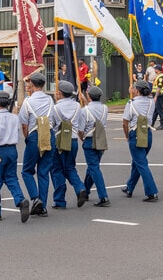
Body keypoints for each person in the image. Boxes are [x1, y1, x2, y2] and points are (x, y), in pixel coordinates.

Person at [0, 91, 30, 223]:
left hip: (0, 150)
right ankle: (20, 199)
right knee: (11, 178)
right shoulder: (14, 117)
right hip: (12, 150)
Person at [19, 72, 55, 218]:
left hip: (34, 134)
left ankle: (35, 198)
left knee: (27, 170)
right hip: (49, 133)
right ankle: (43, 206)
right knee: (43, 171)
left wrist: (27, 137)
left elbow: (24, 123)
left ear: (32, 85)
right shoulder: (50, 99)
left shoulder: (28, 101)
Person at [50, 80, 88, 209]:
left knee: (57, 169)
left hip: (59, 140)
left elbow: (52, 125)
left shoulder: (55, 108)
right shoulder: (77, 106)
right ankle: (80, 188)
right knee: (70, 167)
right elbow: (81, 125)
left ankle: (60, 200)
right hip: (73, 140)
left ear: (59, 93)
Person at [121, 80, 159, 202]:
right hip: (147, 133)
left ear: (137, 90)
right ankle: (130, 187)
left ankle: (152, 192)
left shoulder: (131, 103)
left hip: (135, 133)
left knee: (141, 163)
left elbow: (125, 123)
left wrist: (127, 136)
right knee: (137, 162)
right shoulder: (151, 102)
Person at [80, 85, 110, 207]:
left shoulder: (84, 111)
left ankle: (103, 196)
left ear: (89, 96)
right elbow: (94, 108)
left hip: (89, 139)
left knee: (94, 168)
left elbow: (81, 129)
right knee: (93, 166)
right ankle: (86, 190)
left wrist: (82, 138)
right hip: (101, 139)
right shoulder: (105, 108)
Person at [151, 65, 163, 130]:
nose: (155, 70)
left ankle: (162, 125)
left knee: (159, 110)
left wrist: (155, 97)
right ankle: (151, 123)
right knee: (155, 110)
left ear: (159, 70)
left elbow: (159, 87)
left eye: (155, 69)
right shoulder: (158, 77)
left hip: (159, 95)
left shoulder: (161, 77)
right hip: (157, 95)